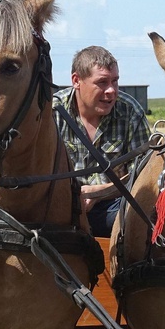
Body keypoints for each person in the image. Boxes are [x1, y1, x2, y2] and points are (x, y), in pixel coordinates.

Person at [53, 46, 150, 237]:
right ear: (76, 81)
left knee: (141, 220)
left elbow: (142, 176)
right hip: (61, 208)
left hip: (114, 206)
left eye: (115, 81)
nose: (111, 91)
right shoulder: (53, 112)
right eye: (102, 82)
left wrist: (97, 193)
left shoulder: (130, 112)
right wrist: (73, 197)